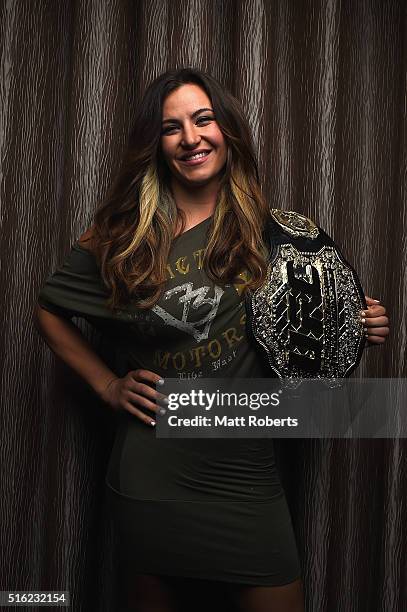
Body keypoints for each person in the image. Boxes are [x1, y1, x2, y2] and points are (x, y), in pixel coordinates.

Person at [34, 68, 389, 612]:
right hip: (153, 473)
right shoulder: (124, 236)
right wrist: (106, 384)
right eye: (171, 127)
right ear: (156, 145)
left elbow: (313, 339)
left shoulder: (275, 229)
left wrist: (359, 327)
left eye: (203, 119)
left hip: (247, 474)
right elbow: (49, 308)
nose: (191, 138)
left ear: (228, 129)